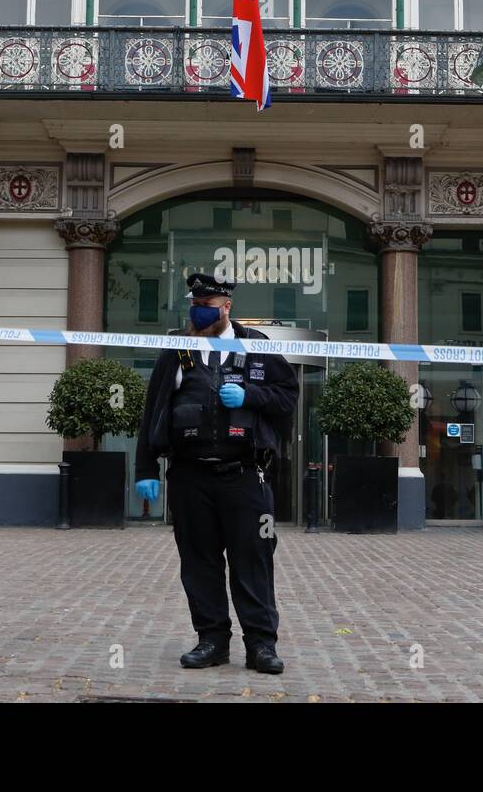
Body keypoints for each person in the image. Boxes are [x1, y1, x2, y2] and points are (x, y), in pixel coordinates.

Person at [135, 272, 299, 674]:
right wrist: (145, 467)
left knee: (253, 560)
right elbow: (153, 408)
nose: (198, 312)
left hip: (245, 476)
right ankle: (211, 640)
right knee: (199, 562)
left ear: (226, 307)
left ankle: (261, 645)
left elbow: (287, 397)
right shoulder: (176, 349)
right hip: (190, 477)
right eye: (194, 305)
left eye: (207, 306)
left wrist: (251, 395)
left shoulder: (256, 347)